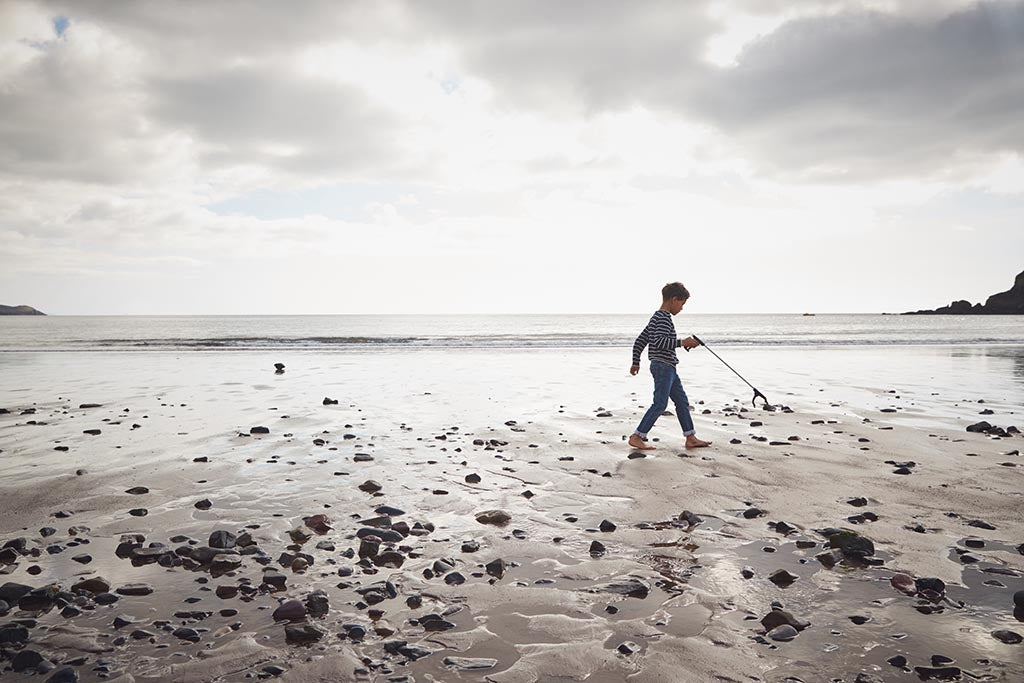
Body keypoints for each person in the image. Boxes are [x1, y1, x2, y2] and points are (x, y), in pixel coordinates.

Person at [628, 282, 712, 450]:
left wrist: (636, 362)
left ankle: (691, 437)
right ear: (674, 299)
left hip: (668, 367)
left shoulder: (656, 318)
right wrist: (683, 342)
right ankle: (637, 436)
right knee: (660, 403)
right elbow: (659, 341)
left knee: (682, 401)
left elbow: (640, 341)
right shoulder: (663, 318)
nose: (681, 308)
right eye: (682, 304)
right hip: (663, 367)